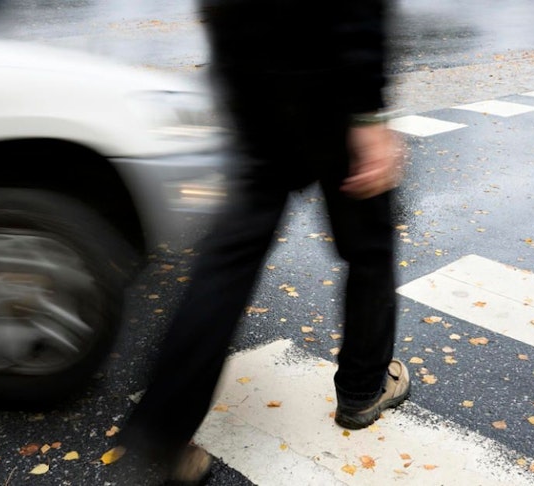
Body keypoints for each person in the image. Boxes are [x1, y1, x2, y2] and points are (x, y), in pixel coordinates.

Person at [117, 0, 408, 483]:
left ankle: (164, 427)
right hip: (327, 74)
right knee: (369, 246)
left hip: (250, 73)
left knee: (229, 260)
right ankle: (363, 389)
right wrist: (367, 113)